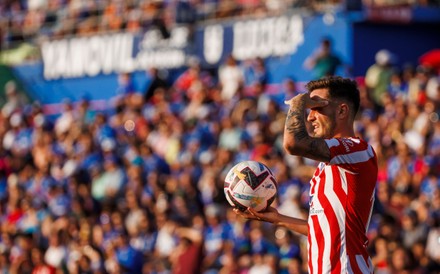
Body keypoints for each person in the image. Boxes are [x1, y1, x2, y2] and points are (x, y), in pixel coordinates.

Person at [234, 76, 378, 273]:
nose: (310, 117)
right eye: (309, 109)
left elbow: (293, 144)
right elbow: (321, 231)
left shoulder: (358, 151)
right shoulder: (326, 166)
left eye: (317, 108)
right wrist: (278, 219)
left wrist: (297, 104)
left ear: (342, 110)